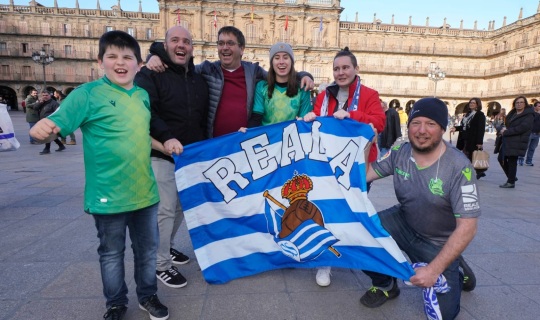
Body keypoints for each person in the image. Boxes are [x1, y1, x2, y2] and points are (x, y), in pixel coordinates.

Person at [29, 31, 169, 320]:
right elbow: (52, 126)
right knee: (111, 254)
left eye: (127, 57)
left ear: (138, 64)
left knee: (146, 252)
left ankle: (148, 296)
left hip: (145, 192)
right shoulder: (87, 94)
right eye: (113, 57)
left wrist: (165, 145)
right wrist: (39, 131)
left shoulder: (142, 95)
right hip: (108, 195)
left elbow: (141, 134)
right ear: (100, 62)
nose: (121, 63)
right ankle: (116, 303)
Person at [362, 97, 480, 319]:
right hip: (404, 221)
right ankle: (386, 284)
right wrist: (366, 145)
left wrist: (433, 270)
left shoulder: (460, 168)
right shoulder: (400, 152)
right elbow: (364, 175)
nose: (421, 130)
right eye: (416, 123)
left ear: (443, 129)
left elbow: (468, 227)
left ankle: (456, 265)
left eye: (431, 124)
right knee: (362, 234)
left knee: (442, 315)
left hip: (438, 241)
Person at [303, 47, 386, 287]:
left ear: (356, 69)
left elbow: (377, 122)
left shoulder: (370, 94)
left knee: (354, 209)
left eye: (345, 67)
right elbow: (317, 120)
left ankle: (353, 251)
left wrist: (351, 114)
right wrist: (310, 118)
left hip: (358, 165)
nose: (341, 73)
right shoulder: (324, 95)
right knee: (326, 210)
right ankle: (326, 262)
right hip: (327, 165)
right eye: (337, 68)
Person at [135, 25, 209, 289]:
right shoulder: (151, 73)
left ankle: (165, 247)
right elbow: (147, 111)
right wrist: (166, 137)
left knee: (179, 207)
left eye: (186, 41)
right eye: (175, 40)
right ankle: (159, 263)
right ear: (164, 45)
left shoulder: (196, 77)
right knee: (165, 209)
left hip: (188, 156)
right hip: (161, 153)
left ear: (192, 48)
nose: (181, 45)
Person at [145, 26, 314, 137]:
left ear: (241, 49)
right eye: (221, 43)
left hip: (244, 145)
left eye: (230, 43)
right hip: (214, 143)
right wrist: (155, 55)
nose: (225, 47)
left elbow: (279, 73)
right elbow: (180, 68)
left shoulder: (253, 71)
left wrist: (305, 75)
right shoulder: (206, 69)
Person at [247, 42, 312, 127]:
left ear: (291, 62)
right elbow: (256, 118)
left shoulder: (302, 89)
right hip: (268, 138)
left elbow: (305, 121)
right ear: (272, 63)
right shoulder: (261, 86)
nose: (281, 62)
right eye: (277, 58)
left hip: (291, 138)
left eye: (285, 58)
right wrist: (247, 132)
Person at [498, 96, 535, 188]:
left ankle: (511, 182)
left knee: (512, 160)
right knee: (500, 158)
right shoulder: (513, 113)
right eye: (517, 102)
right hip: (509, 140)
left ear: (525, 104)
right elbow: (507, 124)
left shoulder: (529, 115)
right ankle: (512, 177)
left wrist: (506, 132)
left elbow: (522, 128)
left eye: (521, 102)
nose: (519, 104)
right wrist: (502, 129)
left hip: (518, 140)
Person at [450, 98, 487, 179]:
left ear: (478, 104)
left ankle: (473, 172)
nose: (471, 104)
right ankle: (476, 172)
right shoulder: (467, 114)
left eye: (473, 103)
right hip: (464, 139)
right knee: (466, 156)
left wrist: (479, 142)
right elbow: (464, 126)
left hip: (473, 140)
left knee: (471, 156)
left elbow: (481, 129)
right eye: (470, 103)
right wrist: (456, 128)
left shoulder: (480, 115)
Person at [35, 90, 65, 155]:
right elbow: (35, 108)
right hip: (43, 121)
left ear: (50, 95)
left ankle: (47, 149)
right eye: (43, 95)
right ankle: (61, 145)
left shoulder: (54, 103)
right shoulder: (42, 102)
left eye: (46, 95)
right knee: (51, 135)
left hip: (50, 122)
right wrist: (39, 102)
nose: (45, 97)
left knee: (47, 135)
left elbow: (58, 113)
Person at [518, 100, 540, 166]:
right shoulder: (531, 114)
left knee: (532, 149)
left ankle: (528, 161)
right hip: (529, 133)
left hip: (537, 134)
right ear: (535, 107)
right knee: (525, 147)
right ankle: (521, 159)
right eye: (539, 106)